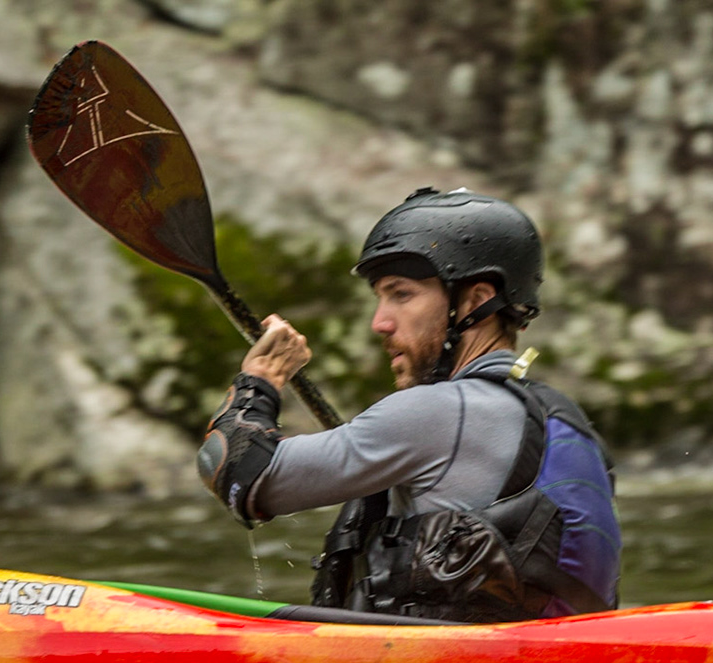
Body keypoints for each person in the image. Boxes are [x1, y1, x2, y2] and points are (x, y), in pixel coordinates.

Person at [195, 187, 622, 623]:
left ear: (475, 301)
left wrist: (262, 378)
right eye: (380, 297)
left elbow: (240, 477)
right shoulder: (569, 421)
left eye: (401, 294)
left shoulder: (437, 412)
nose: (379, 322)